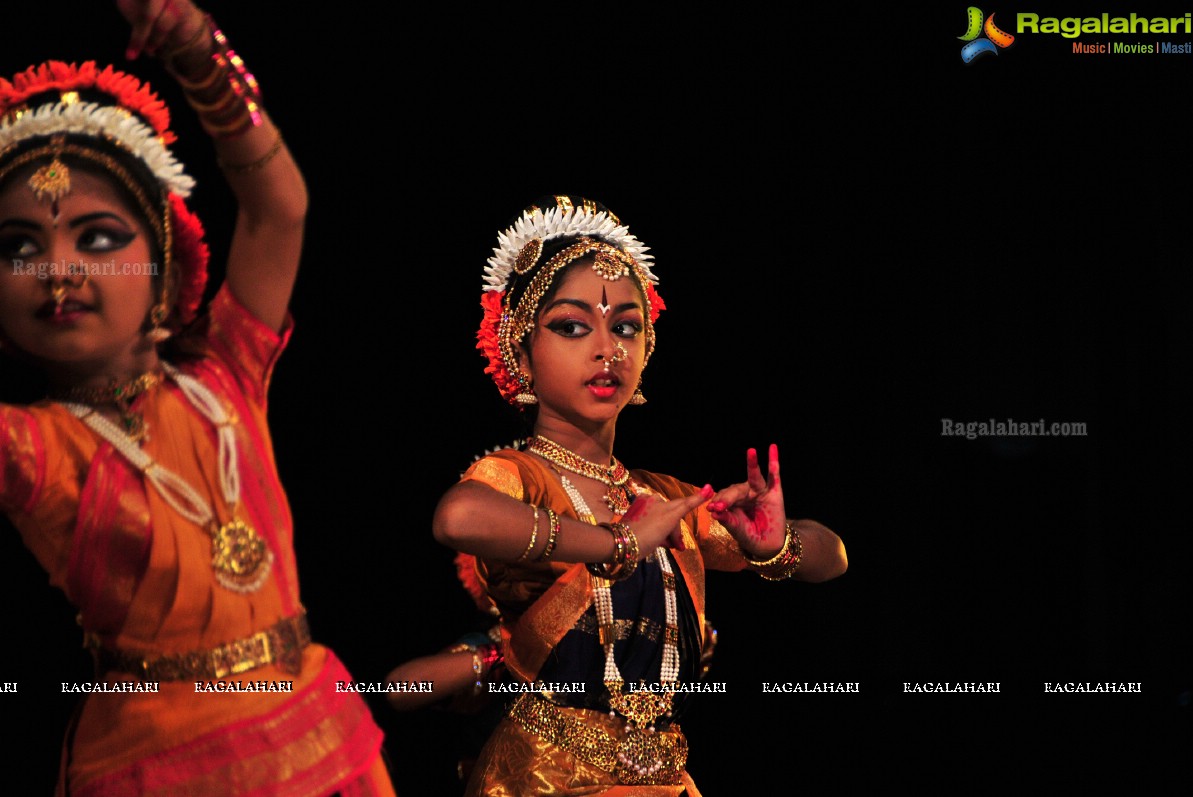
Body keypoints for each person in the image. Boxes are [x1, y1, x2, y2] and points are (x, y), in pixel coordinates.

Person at [0, 2, 394, 795]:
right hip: (161, 762)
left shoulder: (226, 372)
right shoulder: (34, 449)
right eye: (18, 247)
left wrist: (198, 56)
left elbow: (279, 206)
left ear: (164, 261)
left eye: (98, 237)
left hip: (316, 731)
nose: (58, 270)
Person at [432, 195, 848, 796]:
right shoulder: (520, 474)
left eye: (626, 326)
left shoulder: (662, 497)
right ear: (521, 350)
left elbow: (833, 557)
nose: (608, 349)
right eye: (573, 327)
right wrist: (615, 542)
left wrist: (774, 546)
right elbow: (458, 516)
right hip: (545, 777)